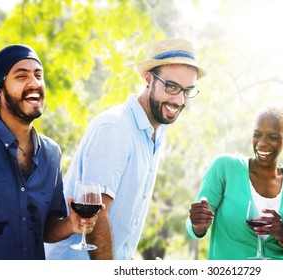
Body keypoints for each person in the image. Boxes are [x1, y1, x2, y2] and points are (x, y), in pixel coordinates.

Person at [45, 38, 206, 260]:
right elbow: (98, 216)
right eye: (171, 87)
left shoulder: (155, 132)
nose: (179, 99)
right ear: (148, 79)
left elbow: (123, 222)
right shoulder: (116, 128)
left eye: (187, 90)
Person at [0, 44, 98, 260]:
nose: (34, 83)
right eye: (21, 76)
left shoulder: (51, 153)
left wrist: (70, 225)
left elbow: (46, 227)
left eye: (38, 75)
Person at [186, 105, 283, 260]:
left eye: (272, 137)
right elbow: (195, 230)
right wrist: (198, 223)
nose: (262, 143)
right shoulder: (225, 167)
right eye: (257, 135)